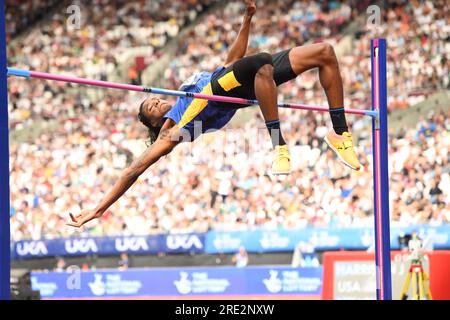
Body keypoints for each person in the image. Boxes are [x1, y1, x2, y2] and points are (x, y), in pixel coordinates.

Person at [68, 0, 361, 228]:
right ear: (154, 124)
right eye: (151, 109)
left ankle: (340, 134)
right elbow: (133, 170)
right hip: (229, 89)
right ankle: (279, 145)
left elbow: (231, 60)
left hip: (244, 77)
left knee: (324, 52)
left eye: (153, 100)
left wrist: (247, 19)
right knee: (259, 62)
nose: (156, 102)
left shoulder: (184, 89)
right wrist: (98, 209)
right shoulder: (174, 131)